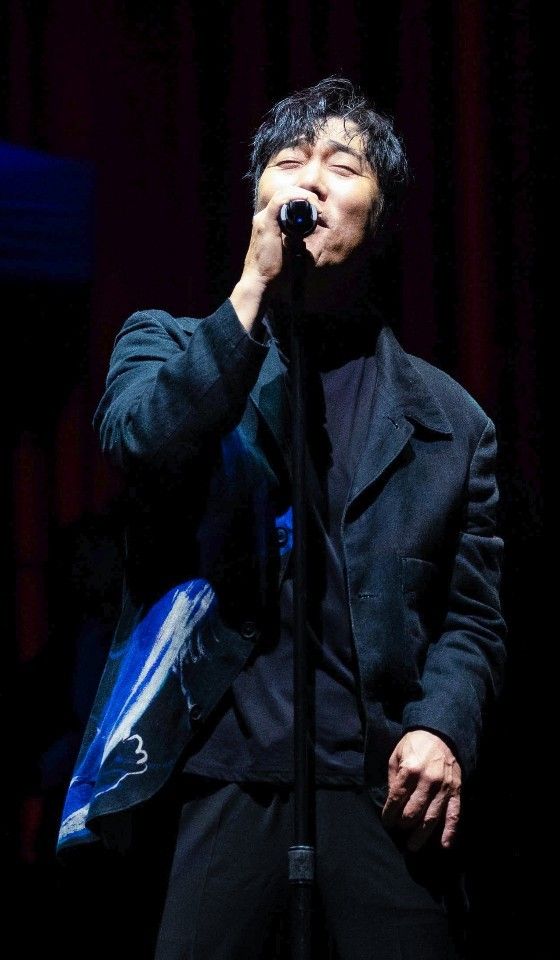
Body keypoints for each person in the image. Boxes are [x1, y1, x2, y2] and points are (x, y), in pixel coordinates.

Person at [56, 77, 507, 960]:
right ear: (259, 197)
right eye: (289, 162)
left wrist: (442, 725)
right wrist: (252, 293)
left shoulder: (450, 423)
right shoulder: (165, 345)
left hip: (377, 787)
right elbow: (145, 444)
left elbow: (473, 619)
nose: (310, 181)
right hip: (212, 778)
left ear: (381, 214)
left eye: (342, 166)